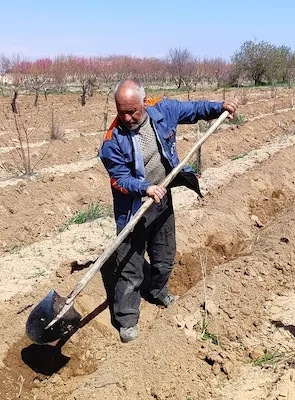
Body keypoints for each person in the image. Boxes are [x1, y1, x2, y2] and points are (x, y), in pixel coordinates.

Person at [98, 79, 238, 343]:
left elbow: (193, 110)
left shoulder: (162, 110)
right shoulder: (111, 142)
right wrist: (144, 187)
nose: (127, 117)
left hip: (162, 195)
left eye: (132, 111)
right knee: (130, 264)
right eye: (121, 112)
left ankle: (158, 290)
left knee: (164, 255)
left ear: (144, 102)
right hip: (133, 206)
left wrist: (220, 106)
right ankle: (126, 319)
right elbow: (119, 180)